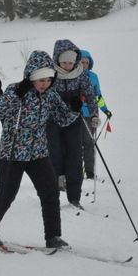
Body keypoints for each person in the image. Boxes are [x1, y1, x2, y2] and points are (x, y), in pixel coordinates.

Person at [0, 51, 82, 249]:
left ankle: (53, 237)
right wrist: (18, 94)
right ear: (31, 77)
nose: (45, 84)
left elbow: (62, 119)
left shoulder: (51, 96)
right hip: (12, 153)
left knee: (50, 193)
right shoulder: (14, 89)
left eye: (48, 80)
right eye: (40, 80)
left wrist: (75, 110)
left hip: (38, 153)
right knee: (6, 194)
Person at [46, 39, 97, 208]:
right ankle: (53, 192)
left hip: (74, 120)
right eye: (64, 62)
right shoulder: (51, 74)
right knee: (55, 155)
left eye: (70, 62)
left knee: (75, 157)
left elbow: (90, 93)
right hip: (53, 121)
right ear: (57, 61)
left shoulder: (80, 73)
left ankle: (74, 197)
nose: (68, 66)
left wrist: (94, 112)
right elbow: (46, 95)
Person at [79, 49, 112, 180]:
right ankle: (76, 170)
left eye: (86, 62)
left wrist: (105, 109)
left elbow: (98, 95)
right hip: (77, 115)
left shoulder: (94, 77)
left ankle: (89, 172)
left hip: (91, 115)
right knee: (77, 144)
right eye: (82, 62)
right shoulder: (73, 77)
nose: (84, 64)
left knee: (89, 143)